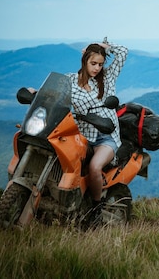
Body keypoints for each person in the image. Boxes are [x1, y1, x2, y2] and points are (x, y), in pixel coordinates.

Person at [67, 39, 128, 217]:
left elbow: (123, 52)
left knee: (94, 167)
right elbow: (53, 92)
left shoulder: (108, 78)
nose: (97, 68)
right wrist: (37, 92)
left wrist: (105, 48)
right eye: (93, 63)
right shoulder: (70, 80)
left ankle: (96, 207)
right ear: (84, 61)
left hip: (106, 137)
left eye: (100, 64)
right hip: (82, 135)